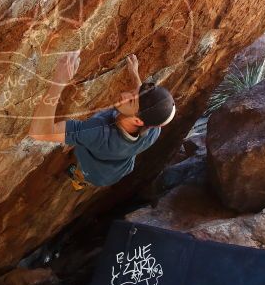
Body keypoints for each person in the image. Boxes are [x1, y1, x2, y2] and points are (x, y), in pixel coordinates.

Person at [27, 51, 176, 189]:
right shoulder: (152, 131)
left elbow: (39, 133)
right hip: (117, 170)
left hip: (95, 174)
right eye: (133, 92)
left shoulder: (97, 133)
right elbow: (163, 114)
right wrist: (135, 76)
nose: (124, 94)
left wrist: (58, 82)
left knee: (83, 174)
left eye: (130, 101)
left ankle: (79, 180)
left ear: (138, 121)